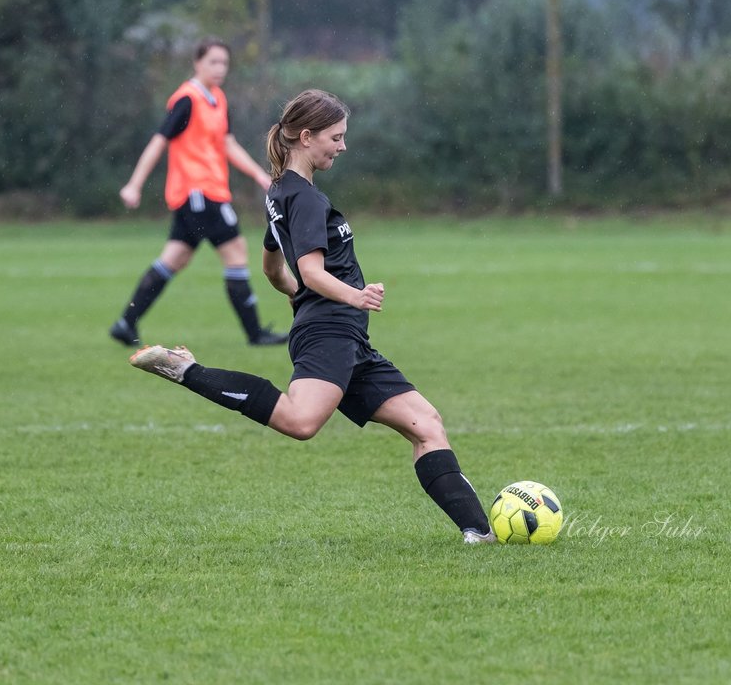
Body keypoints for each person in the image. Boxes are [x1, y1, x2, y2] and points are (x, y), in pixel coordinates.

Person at [128, 89, 494, 544]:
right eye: (336, 138)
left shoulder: (282, 193)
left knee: (426, 424)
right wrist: (354, 296)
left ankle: (479, 532)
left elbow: (271, 266)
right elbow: (310, 270)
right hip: (330, 331)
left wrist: (297, 297)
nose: (342, 146)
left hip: (344, 337)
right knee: (301, 421)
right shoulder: (304, 199)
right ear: (306, 137)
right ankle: (187, 369)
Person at [109, 39, 288, 348]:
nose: (220, 69)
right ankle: (255, 333)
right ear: (197, 63)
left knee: (174, 258)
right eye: (213, 62)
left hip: (204, 192)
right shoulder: (187, 100)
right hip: (199, 193)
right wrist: (134, 184)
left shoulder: (217, 98)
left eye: (224, 64)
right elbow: (159, 141)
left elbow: (228, 143)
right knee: (236, 252)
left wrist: (258, 173)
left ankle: (126, 323)